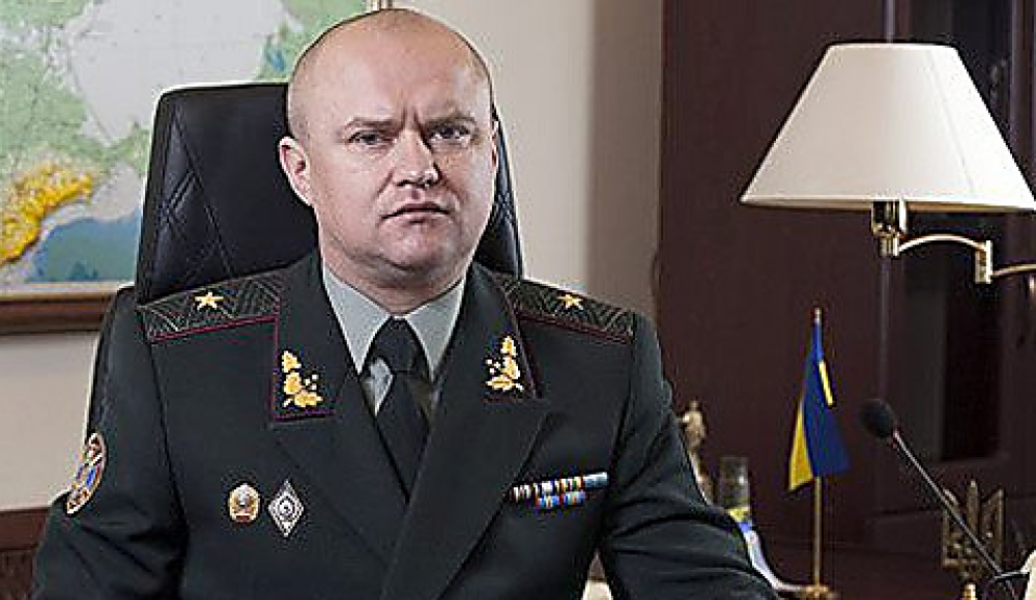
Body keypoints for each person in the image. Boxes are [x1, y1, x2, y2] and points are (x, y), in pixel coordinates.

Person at [32, 9, 775, 600]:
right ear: (300, 170)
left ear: (491, 154)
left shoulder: (601, 362)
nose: (418, 167)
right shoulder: (175, 364)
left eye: (450, 132)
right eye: (371, 137)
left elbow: (704, 584)